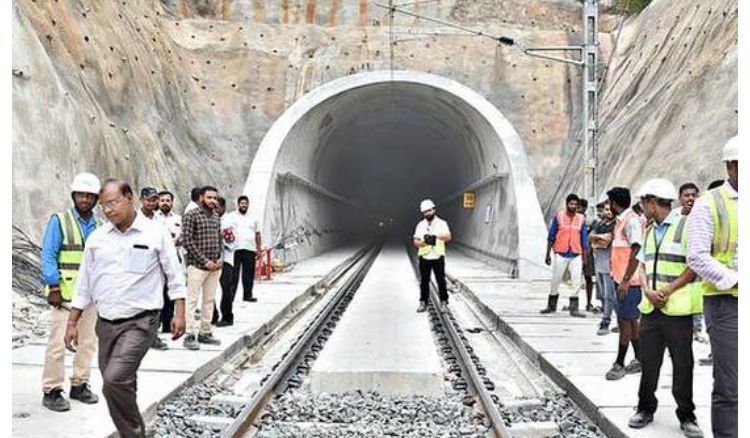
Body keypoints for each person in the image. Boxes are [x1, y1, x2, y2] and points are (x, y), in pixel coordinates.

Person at [63, 179, 186, 438]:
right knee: (122, 382)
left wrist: (180, 311)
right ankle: (132, 430)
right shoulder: (97, 239)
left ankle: (133, 434)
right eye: (104, 206)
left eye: (113, 203)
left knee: (114, 381)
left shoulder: (155, 233)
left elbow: (174, 274)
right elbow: (84, 282)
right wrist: (73, 321)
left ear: (129, 198)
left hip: (141, 322)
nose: (107, 211)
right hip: (105, 323)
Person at [627, 178, 704, 437]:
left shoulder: (686, 226)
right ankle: (645, 408)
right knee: (649, 362)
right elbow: (644, 264)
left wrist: (667, 291)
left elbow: (693, 266)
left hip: (677, 310)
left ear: (652, 202)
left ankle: (687, 415)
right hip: (651, 309)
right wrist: (648, 290)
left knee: (683, 364)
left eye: (643, 202)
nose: (642, 206)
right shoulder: (649, 229)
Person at [686, 136, 738, 438]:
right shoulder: (709, 204)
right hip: (726, 303)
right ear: (731, 166)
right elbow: (696, 256)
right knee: (730, 385)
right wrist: (735, 279)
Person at [40, 173, 103, 411]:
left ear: (96, 199)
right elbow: (48, 255)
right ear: (73, 196)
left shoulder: (100, 225)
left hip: (91, 297)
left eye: (89, 196)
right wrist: (53, 285)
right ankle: (52, 389)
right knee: (58, 344)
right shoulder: (60, 220)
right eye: (80, 195)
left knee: (87, 343)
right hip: (64, 295)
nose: (85, 199)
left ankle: (79, 384)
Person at [605, 186, 645, 380]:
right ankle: (640, 358)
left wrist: (626, 280)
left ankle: (619, 363)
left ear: (614, 203)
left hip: (629, 281)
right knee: (629, 320)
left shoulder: (631, 222)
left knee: (624, 321)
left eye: (609, 203)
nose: (608, 206)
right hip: (621, 279)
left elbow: (637, 251)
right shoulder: (621, 221)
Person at [181, 185, 223, 349]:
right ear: (201, 198)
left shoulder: (216, 216)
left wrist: (220, 258)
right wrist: (205, 261)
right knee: (192, 301)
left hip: (215, 267)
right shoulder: (191, 215)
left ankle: (205, 332)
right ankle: (190, 334)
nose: (212, 201)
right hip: (197, 266)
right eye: (209, 197)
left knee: (209, 300)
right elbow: (187, 241)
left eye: (214, 198)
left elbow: (220, 240)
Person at [540, 193, 588, 317]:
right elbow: (551, 236)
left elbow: (584, 240)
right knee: (556, 279)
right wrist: (548, 254)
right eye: (571, 204)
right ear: (566, 204)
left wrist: (585, 257)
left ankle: (574, 308)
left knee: (576, 281)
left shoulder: (581, 219)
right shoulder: (559, 217)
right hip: (561, 253)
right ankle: (551, 305)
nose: (573, 206)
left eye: (575, 205)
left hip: (576, 254)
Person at [136, 187, 171, 351]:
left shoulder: (159, 220)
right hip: (138, 268)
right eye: (149, 199)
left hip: (157, 268)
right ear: (141, 199)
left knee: (156, 304)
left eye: (154, 199)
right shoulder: (134, 219)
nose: (152, 203)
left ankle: (153, 336)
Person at [675, 182, 707, 344]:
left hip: (698, 267)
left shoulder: (703, 215)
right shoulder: (674, 217)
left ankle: (697, 328)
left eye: (694, 195)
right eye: (687, 195)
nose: (690, 198)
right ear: (680, 198)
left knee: (697, 298)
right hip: (678, 267)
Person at [413, 199, 452, 312]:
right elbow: (415, 241)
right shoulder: (420, 225)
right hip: (425, 256)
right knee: (424, 281)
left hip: (438, 256)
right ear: (423, 213)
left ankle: (444, 302)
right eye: (425, 211)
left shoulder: (442, 223)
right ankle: (423, 302)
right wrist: (424, 242)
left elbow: (448, 237)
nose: (428, 213)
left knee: (441, 280)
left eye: (430, 210)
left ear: (434, 210)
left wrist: (436, 236)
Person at [225, 195, 262, 304]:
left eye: (245, 203)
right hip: (235, 249)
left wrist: (258, 249)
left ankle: (248, 295)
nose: (244, 205)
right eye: (242, 203)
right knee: (233, 275)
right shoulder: (231, 216)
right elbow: (227, 231)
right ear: (238, 204)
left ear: (248, 205)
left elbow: (258, 234)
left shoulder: (254, 217)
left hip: (249, 249)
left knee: (249, 274)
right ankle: (230, 296)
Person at [156, 190, 182, 335]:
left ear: (172, 202)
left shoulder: (178, 218)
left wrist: (178, 240)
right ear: (158, 202)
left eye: (168, 200)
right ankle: (156, 323)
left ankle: (167, 325)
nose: (165, 203)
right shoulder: (154, 219)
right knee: (157, 291)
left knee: (170, 292)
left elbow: (183, 237)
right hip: (156, 261)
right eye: (163, 200)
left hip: (173, 259)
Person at [590, 197, 616, 335]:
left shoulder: (616, 224)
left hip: (609, 264)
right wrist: (599, 238)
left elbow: (607, 241)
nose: (608, 212)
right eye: (606, 209)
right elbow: (591, 238)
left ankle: (605, 321)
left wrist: (597, 239)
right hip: (599, 263)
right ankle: (618, 320)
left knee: (609, 295)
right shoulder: (599, 223)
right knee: (606, 294)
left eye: (610, 209)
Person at [217, 197, 238, 326]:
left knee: (226, 288)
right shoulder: (210, 219)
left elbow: (233, 242)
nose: (215, 209)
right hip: (211, 259)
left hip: (226, 260)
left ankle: (227, 316)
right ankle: (213, 315)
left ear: (223, 207)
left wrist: (222, 237)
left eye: (218, 207)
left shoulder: (229, 221)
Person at [578, 198, 597, 312]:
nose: (577, 209)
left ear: (584, 208)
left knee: (588, 277)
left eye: (580, 207)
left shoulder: (590, 221)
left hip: (587, 253)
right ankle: (573, 303)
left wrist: (588, 252)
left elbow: (591, 238)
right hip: (575, 252)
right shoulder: (573, 220)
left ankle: (588, 302)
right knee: (575, 278)